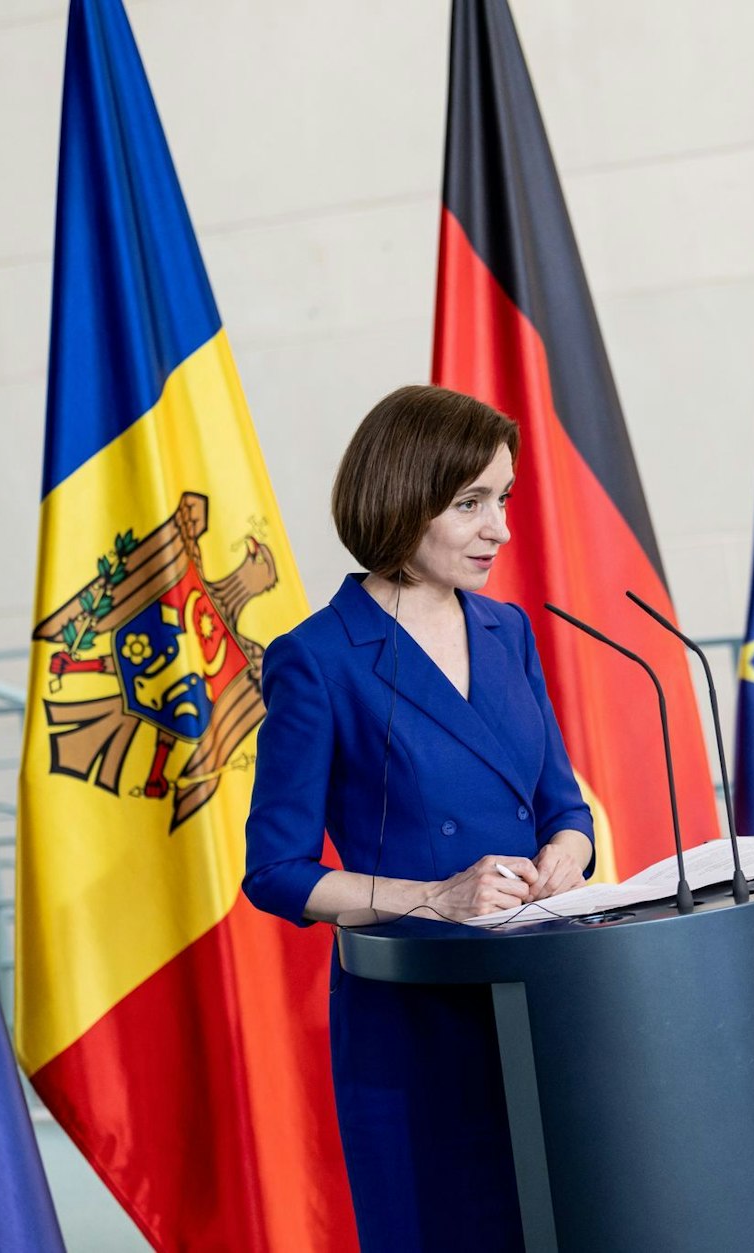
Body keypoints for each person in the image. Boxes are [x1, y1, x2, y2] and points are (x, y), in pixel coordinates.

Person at [244, 384, 595, 1251]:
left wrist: (569, 849)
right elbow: (276, 871)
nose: (499, 528)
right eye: (470, 503)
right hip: (416, 1013)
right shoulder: (317, 657)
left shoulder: (508, 629)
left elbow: (563, 802)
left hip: (542, 989)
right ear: (403, 499)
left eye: (503, 499)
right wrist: (435, 896)